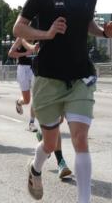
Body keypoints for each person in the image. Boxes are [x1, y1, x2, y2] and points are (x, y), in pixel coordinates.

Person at [13, 0, 112, 203]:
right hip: (48, 78)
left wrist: (104, 32)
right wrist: (46, 34)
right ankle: (35, 168)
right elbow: (19, 29)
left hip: (80, 77)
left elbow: (87, 25)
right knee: (49, 143)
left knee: (80, 138)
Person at [11, 32, 72, 178]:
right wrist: (27, 51)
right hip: (27, 70)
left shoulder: (46, 35)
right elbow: (12, 52)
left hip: (46, 75)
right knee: (27, 100)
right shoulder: (22, 37)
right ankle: (60, 160)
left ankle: (43, 134)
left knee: (56, 119)